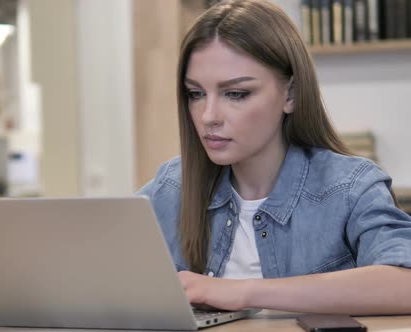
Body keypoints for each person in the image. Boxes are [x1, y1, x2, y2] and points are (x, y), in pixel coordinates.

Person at [138, 0, 411, 315]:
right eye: (195, 94)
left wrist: (243, 292)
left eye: (236, 94)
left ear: (291, 94)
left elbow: (405, 283)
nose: (208, 116)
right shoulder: (172, 187)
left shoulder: (350, 187)